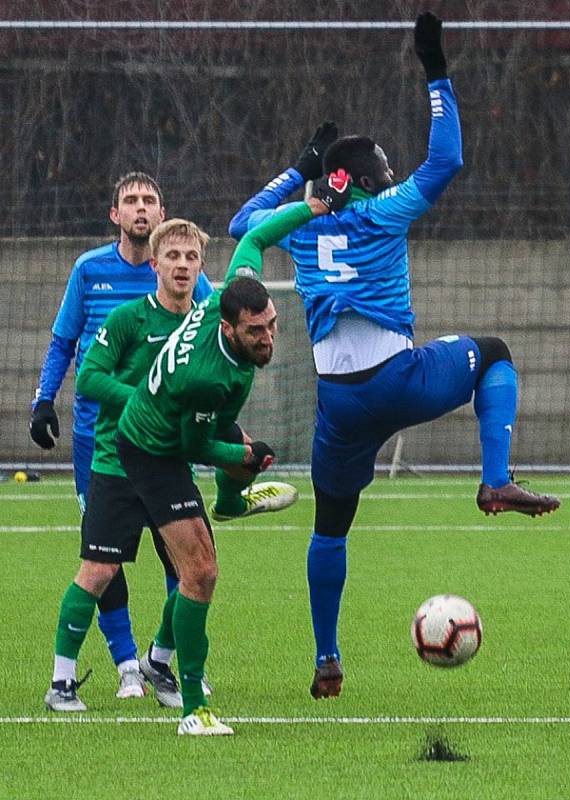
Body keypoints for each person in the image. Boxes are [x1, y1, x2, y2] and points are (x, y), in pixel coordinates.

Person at [228, 11, 561, 701]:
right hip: (397, 379)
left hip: (338, 405)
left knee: (330, 527)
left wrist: (298, 169)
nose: (387, 171)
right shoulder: (383, 213)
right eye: (378, 165)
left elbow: (241, 226)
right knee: (493, 354)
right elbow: (446, 162)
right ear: (359, 179)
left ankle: (326, 659)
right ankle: (494, 478)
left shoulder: (296, 231)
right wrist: (435, 72)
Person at [113, 179, 350, 735]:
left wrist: (312, 207)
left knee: (229, 467)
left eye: (271, 326)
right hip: (151, 447)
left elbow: (260, 233)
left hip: (180, 428)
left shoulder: (237, 289)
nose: (268, 338)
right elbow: (193, 447)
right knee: (201, 574)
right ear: (228, 328)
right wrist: (243, 457)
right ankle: (192, 707)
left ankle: (231, 505)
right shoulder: (207, 378)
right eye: (256, 332)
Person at [44, 218, 299, 713]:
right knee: (99, 569)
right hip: (117, 460)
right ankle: (62, 681)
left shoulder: (205, 318)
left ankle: (160, 663)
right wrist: (144, 400)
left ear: (201, 268)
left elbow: (205, 425)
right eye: (173, 257)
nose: (182, 265)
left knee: (191, 569)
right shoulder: (127, 320)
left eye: (191, 258)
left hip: (169, 459)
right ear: (154, 264)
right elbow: (91, 378)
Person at [30, 172, 215, 698]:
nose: (140, 208)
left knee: (181, 557)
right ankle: (125, 663)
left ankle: (163, 660)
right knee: (104, 558)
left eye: (149, 200)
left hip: (166, 447)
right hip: (101, 442)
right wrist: (44, 399)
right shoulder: (91, 271)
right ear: (116, 215)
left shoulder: (189, 283)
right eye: (130, 201)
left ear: (161, 216)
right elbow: (66, 344)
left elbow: (208, 348)